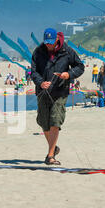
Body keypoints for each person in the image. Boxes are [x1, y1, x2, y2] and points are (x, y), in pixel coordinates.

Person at [31, 28, 84, 165]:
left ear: (56, 40)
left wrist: (69, 74)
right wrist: (40, 82)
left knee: (55, 121)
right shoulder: (38, 51)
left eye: (51, 42)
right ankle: (53, 148)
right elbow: (33, 71)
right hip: (43, 92)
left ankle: (50, 156)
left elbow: (80, 66)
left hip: (60, 91)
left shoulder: (67, 51)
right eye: (46, 42)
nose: (48, 45)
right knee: (43, 122)